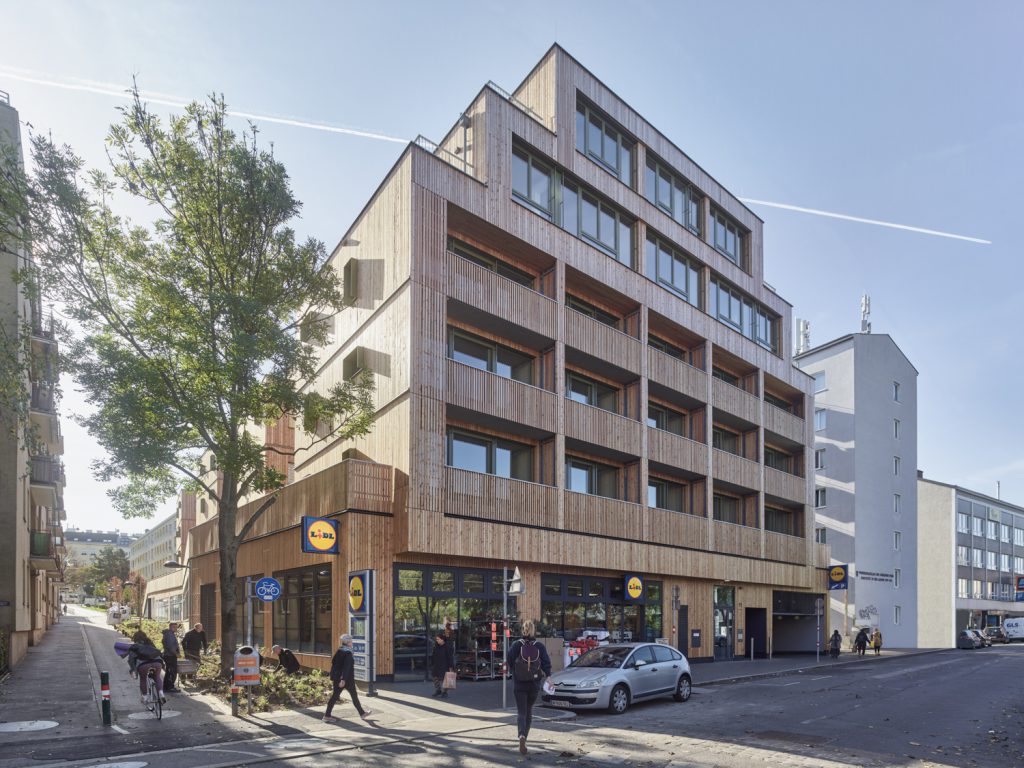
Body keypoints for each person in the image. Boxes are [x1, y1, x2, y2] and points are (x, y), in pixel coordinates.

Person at [506, 620, 551, 755]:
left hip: (519, 684)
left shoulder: (516, 645)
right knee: (529, 711)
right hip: (534, 684)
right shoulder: (539, 646)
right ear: (533, 630)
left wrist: (515, 672)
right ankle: (525, 736)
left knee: (521, 712)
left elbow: (509, 660)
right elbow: (546, 663)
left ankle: (521, 736)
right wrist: (549, 676)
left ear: (523, 630)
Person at [323, 634, 371, 722]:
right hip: (346, 679)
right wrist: (343, 679)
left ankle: (327, 715)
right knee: (352, 696)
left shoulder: (340, 650)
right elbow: (347, 667)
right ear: (348, 642)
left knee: (335, 696)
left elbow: (333, 662)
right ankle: (327, 716)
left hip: (338, 677)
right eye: (351, 641)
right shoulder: (348, 653)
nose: (352, 642)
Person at [127, 630, 166, 704]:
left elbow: (131, 659)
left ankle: (145, 697)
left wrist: (133, 670)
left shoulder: (135, 646)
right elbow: (158, 652)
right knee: (157, 676)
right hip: (157, 662)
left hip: (144, 664)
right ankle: (161, 693)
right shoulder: (150, 643)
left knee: (143, 678)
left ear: (135, 638)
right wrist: (163, 665)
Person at [430, 632, 456, 698]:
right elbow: (433, 655)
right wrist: (432, 664)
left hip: (445, 665)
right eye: (436, 639)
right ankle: (438, 690)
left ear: (442, 639)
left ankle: (445, 692)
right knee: (434, 676)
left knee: (446, 679)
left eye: (438, 639)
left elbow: (450, 657)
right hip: (437, 665)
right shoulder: (436, 646)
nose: (437, 640)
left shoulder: (447, 647)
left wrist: (451, 667)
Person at [161, 622, 181, 692]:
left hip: (169, 655)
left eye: (176, 627)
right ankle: (169, 687)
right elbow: (170, 646)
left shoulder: (169, 634)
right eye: (175, 627)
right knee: (172, 672)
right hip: (170, 656)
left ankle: (166, 686)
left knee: (169, 672)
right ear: (171, 627)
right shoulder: (169, 635)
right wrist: (176, 654)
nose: (176, 629)